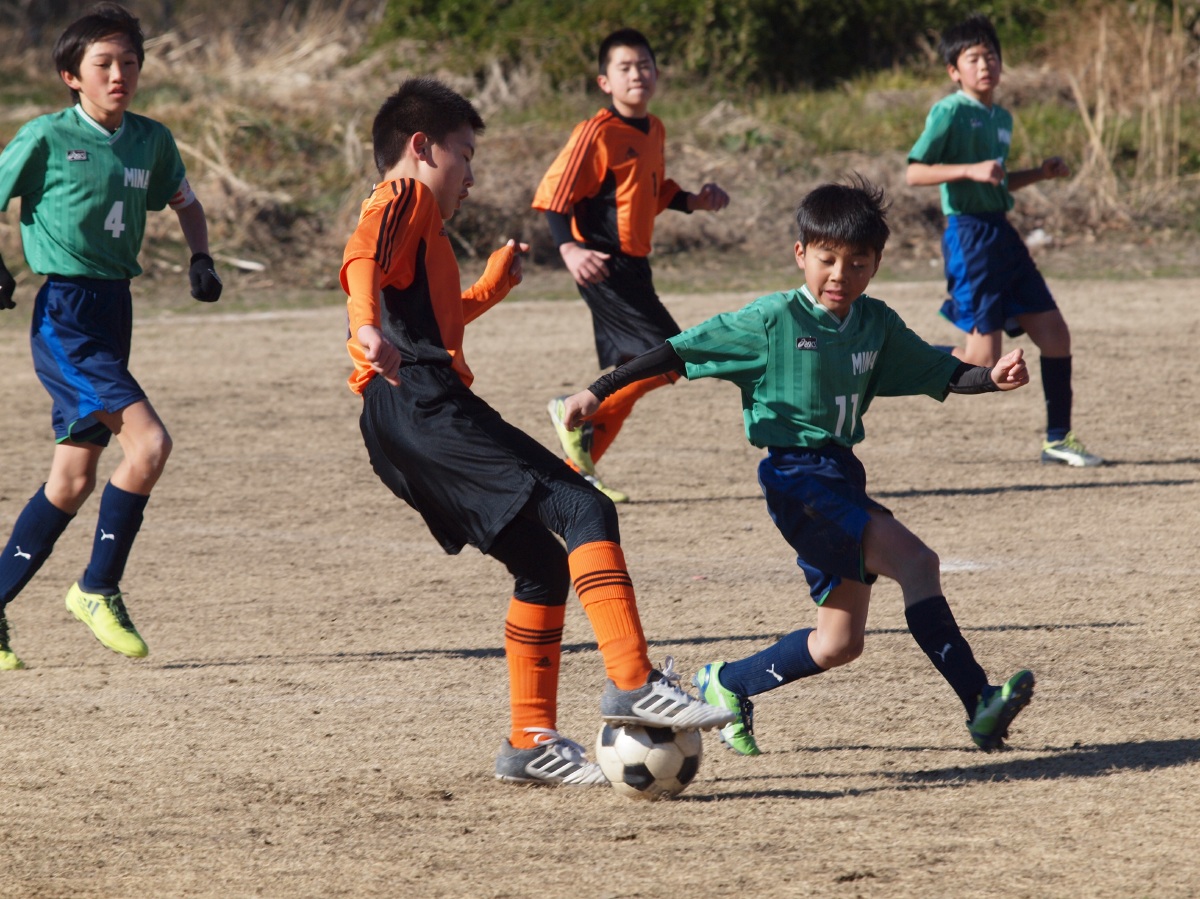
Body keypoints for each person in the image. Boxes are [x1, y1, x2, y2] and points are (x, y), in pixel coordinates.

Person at [340, 77, 732, 787]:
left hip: (397, 418)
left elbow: (427, 319)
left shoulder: (421, 225)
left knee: (542, 566)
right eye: (464, 154)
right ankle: (633, 681)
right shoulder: (403, 196)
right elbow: (360, 256)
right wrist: (364, 326)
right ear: (421, 146)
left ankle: (529, 742)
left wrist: (489, 289)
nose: (470, 174)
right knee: (584, 506)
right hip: (421, 403)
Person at [560, 178, 1036, 756]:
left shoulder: (875, 324)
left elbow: (941, 371)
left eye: (857, 263)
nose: (840, 275)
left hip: (841, 476)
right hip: (798, 480)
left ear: (876, 264)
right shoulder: (771, 319)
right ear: (800, 254)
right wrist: (599, 390)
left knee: (839, 644)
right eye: (827, 259)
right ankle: (980, 701)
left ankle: (728, 682)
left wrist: (990, 377)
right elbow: (678, 350)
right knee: (918, 563)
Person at [0, 2, 223, 671]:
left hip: (114, 309)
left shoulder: (151, 140)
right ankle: (96, 587)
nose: (119, 74)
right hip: (64, 316)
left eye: (129, 61)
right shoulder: (44, 136)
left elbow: (186, 202)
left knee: (72, 480)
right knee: (149, 444)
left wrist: (201, 258)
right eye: (103, 63)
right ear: (72, 75)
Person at [532, 27, 730, 502]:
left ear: (657, 74)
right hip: (602, 264)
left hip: (636, 266)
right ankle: (572, 410)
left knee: (631, 369)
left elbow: (650, 191)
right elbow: (554, 195)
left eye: (644, 65)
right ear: (605, 82)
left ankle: (575, 474)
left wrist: (694, 200)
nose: (637, 74)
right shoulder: (596, 132)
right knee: (669, 360)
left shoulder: (653, 128)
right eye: (624, 67)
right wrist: (569, 249)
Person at [907, 13, 1101, 467]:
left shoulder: (1002, 118)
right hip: (969, 235)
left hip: (1001, 232)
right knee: (981, 360)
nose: (985, 64)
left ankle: (1058, 440)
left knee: (1055, 334)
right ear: (954, 70)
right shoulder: (949, 112)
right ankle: (896, 355)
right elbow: (915, 172)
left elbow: (996, 181)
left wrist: (1039, 173)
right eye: (973, 58)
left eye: (991, 55)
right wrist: (970, 170)